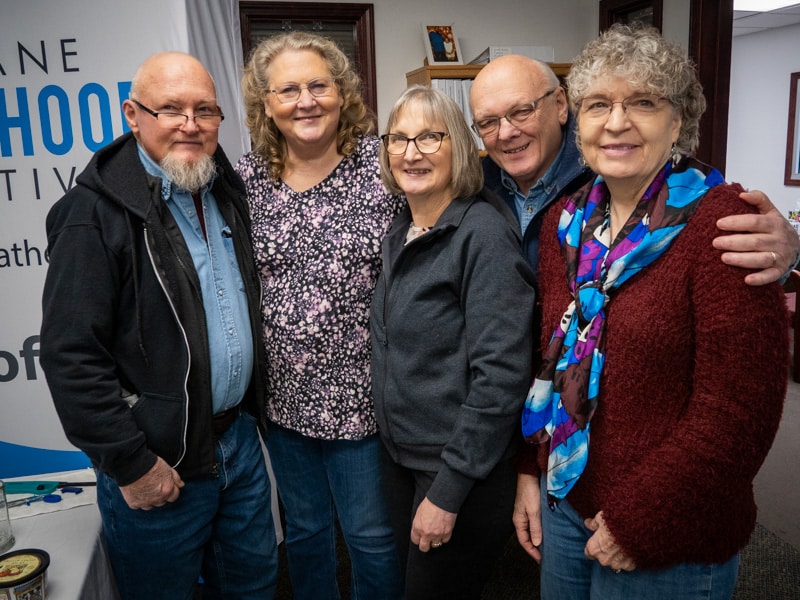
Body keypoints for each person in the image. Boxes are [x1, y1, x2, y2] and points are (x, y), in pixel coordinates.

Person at [518, 24, 788, 599]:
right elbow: (547, 356)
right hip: (566, 498)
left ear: (678, 119)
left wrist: (636, 520)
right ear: (578, 123)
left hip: (669, 530)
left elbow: (739, 411)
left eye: (642, 101)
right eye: (598, 105)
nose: (616, 122)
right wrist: (529, 471)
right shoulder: (562, 224)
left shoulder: (725, 225)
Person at [39, 52, 278, 599]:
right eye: (170, 108)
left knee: (255, 589)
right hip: (159, 465)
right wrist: (131, 464)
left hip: (237, 448)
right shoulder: (91, 215)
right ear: (133, 113)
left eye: (205, 110)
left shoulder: (223, 189)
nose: (190, 124)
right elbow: (71, 355)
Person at [237, 32, 404, 600]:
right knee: (305, 533)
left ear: (343, 93)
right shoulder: (244, 180)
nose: (305, 100)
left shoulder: (384, 168)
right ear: (266, 104)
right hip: (281, 403)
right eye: (288, 90)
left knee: (372, 537)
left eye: (318, 85)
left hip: (363, 399)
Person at [370, 85, 536, 599]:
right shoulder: (402, 230)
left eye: (429, 137)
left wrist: (447, 492)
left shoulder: (481, 234)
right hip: (403, 459)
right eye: (398, 138)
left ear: (460, 147)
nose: (410, 152)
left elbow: (501, 378)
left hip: (456, 471)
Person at [469, 53, 800, 284]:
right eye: (488, 122)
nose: (506, 132)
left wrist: (792, 250)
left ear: (559, 105)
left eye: (522, 111)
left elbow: (739, 250)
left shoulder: (616, 170)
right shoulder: (472, 187)